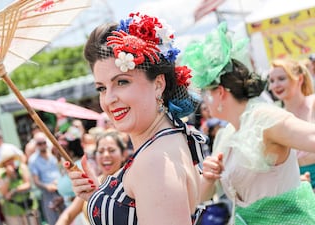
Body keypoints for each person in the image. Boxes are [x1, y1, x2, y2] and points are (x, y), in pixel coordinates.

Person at [64, 12, 206, 224]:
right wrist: (99, 198)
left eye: (122, 82)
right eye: (101, 88)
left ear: (158, 84)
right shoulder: (171, 138)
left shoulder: (155, 162)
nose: (109, 99)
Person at [182, 22, 315, 224]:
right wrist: (208, 176)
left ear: (220, 93)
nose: (204, 103)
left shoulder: (265, 118)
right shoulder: (224, 136)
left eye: (206, 94)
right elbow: (201, 198)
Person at [56, 130, 126, 225]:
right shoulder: (91, 183)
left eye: (111, 150)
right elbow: (68, 215)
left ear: (123, 155)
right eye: (100, 151)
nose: (106, 155)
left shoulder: (130, 185)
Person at [268, 58, 315, 188]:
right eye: (271, 81)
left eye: (281, 79)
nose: (275, 85)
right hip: (297, 184)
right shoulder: (275, 118)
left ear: (299, 79)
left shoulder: (313, 103)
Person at [28, 132, 63, 225]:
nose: (43, 145)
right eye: (40, 143)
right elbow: (36, 181)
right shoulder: (33, 160)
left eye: (44, 142)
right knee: (54, 220)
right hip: (48, 193)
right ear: (36, 145)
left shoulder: (53, 154)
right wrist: (47, 186)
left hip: (61, 189)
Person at [0, 150, 39, 225]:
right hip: (12, 210)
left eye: (11, 159)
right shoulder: (2, 174)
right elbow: (4, 193)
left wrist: (14, 191)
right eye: (7, 161)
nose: (11, 162)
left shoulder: (22, 168)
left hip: (28, 206)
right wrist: (9, 177)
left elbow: (27, 184)